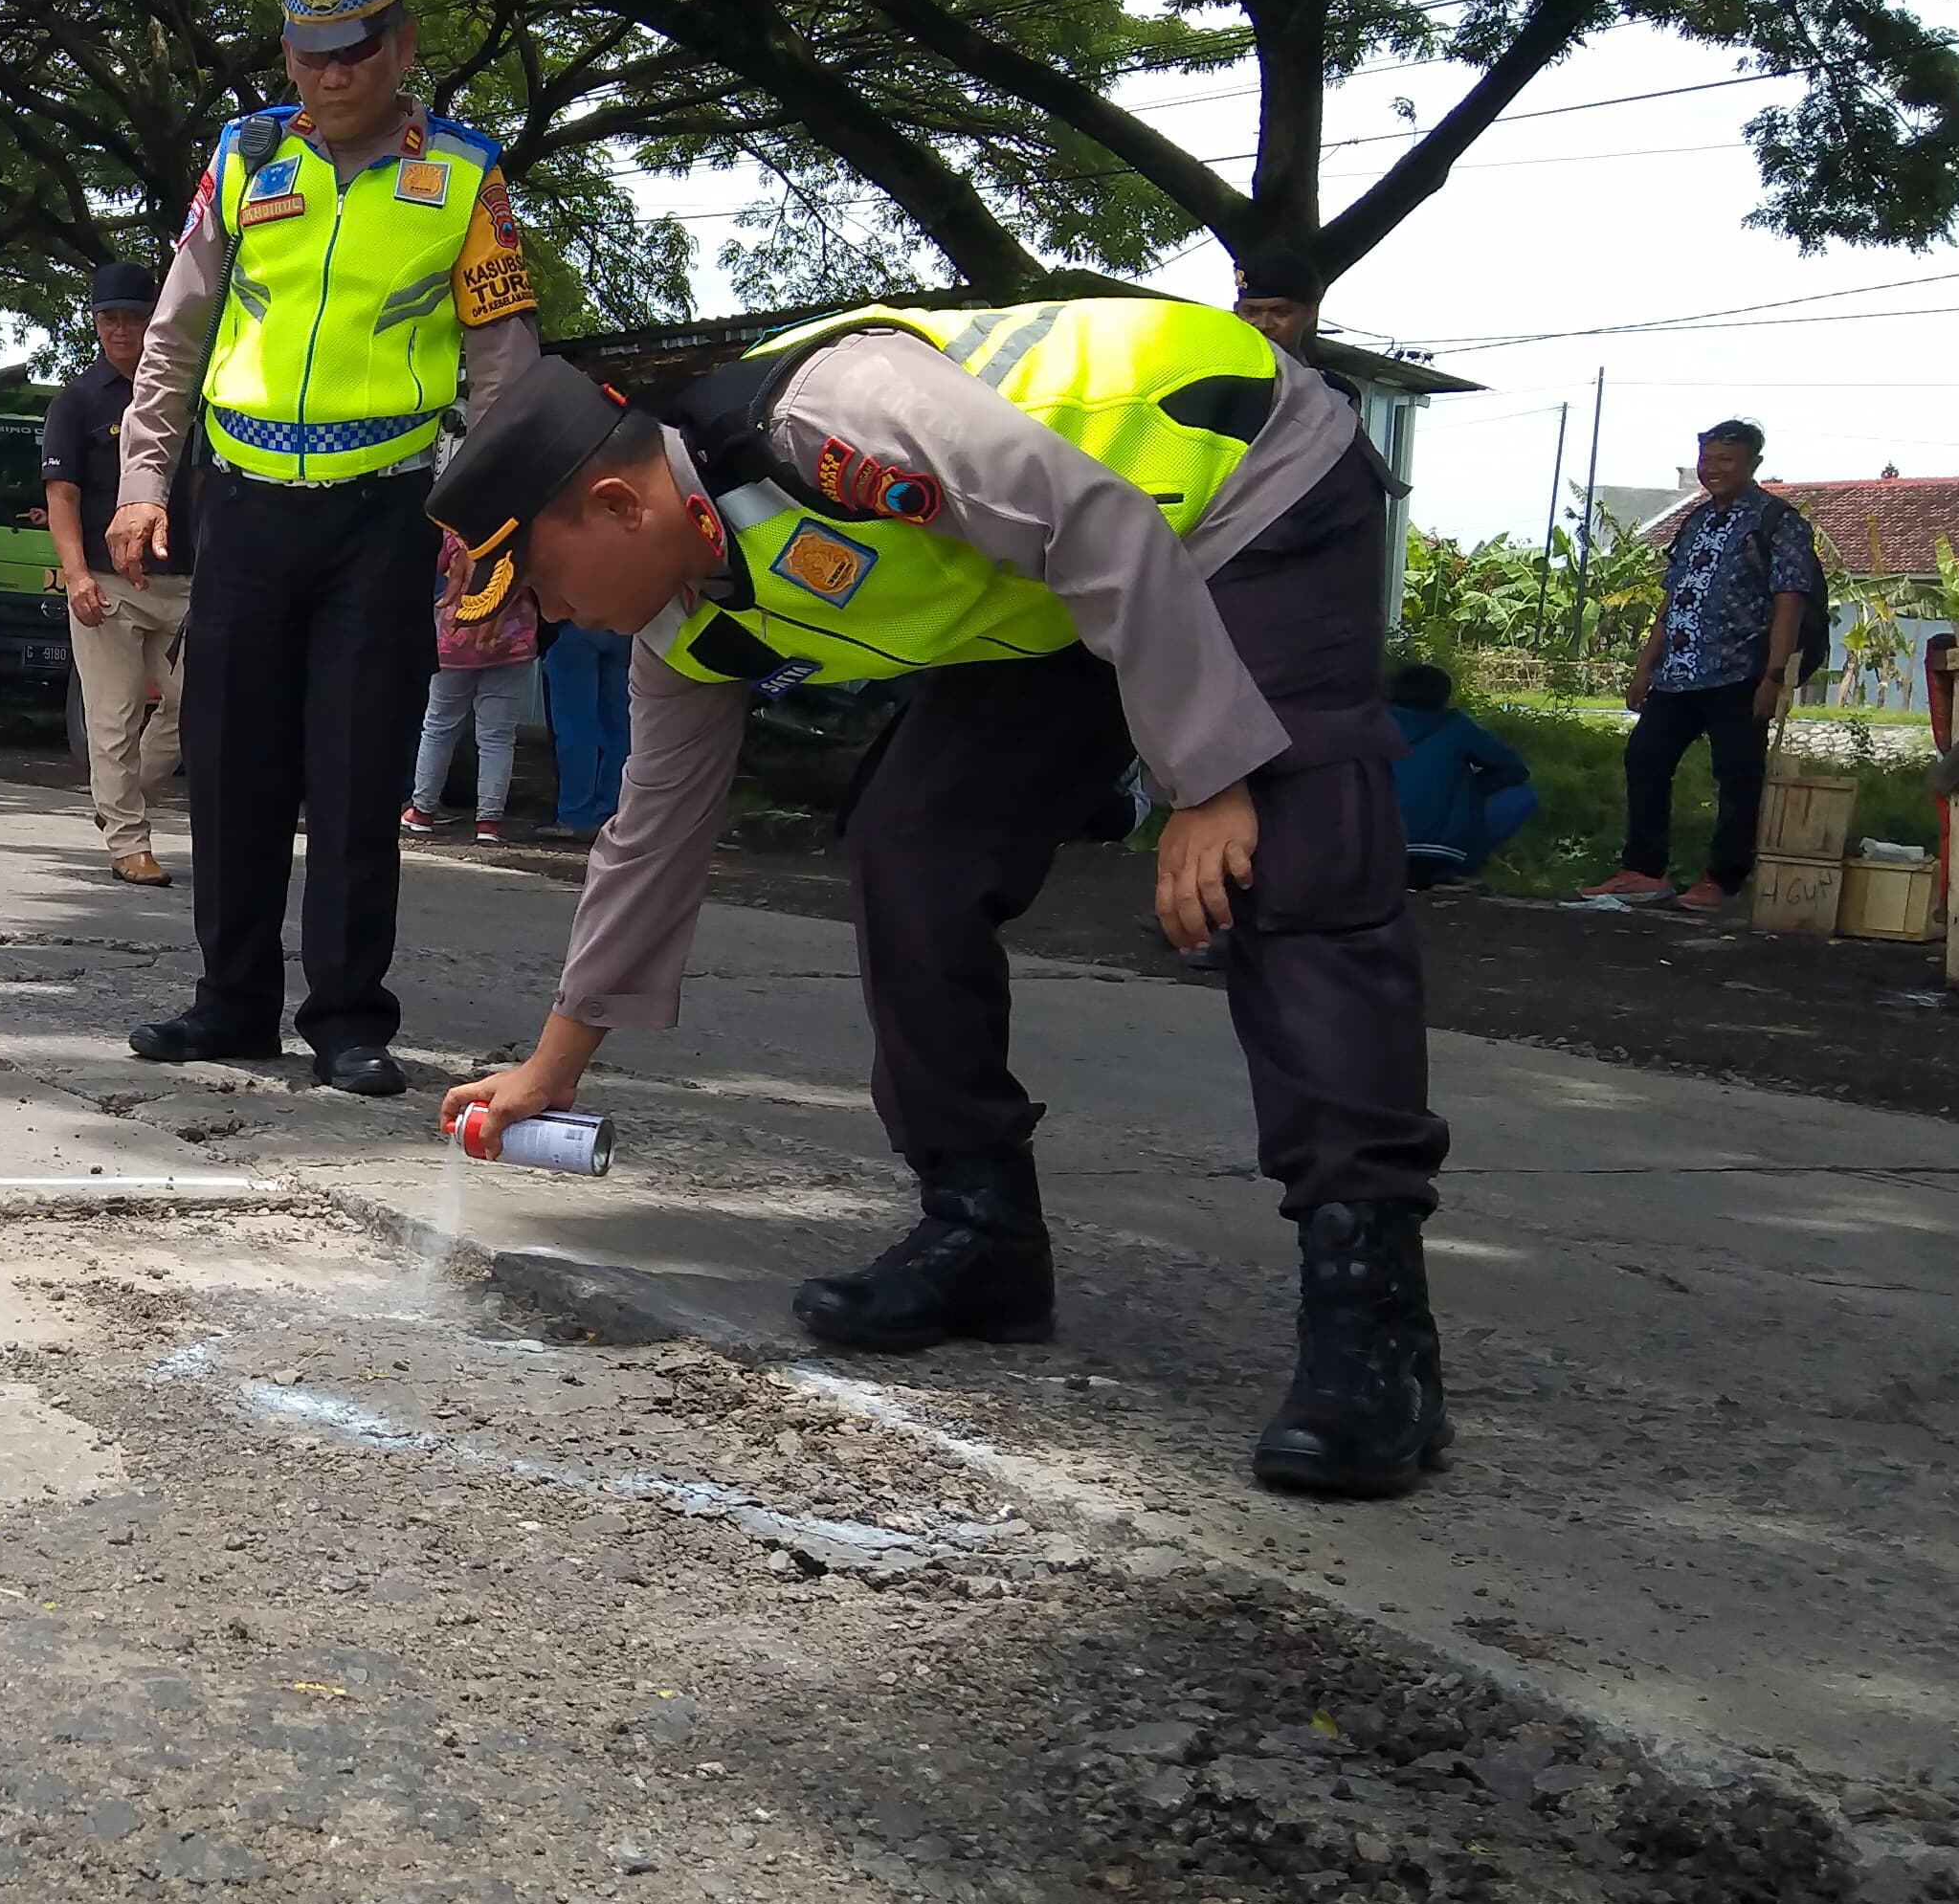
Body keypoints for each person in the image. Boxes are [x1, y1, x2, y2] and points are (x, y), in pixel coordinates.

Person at [434, 302, 1455, 1498]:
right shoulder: (685, 622)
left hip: (1234, 492)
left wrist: (1213, 774)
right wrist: (553, 1069)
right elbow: (648, 841)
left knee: (1288, 851)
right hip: (1056, 598)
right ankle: (979, 1231)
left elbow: (1100, 522)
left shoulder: (837, 417)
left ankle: (1369, 1312)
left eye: (543, 583)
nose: (548, 621)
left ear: (617, 507)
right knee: (910, 844)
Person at [104, 0, 544, 1097]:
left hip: (383, 515)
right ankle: (230, 1001)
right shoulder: (244, 158)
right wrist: (143, 483)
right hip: (242, 504)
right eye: (304, 55)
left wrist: (492, 524)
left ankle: (348, 1018)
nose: (324, 77)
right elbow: (176, 334)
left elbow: (501, 366)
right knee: (231, 760)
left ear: (398, 48)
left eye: (348, 53)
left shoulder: (464, 176)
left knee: (354, 774)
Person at [1583, 418, 1822, 910]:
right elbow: (1673, 600)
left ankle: (1723, 879)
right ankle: (1643, 870)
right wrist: (1645, 666)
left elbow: (1790, 601)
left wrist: (1774, 676)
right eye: (1706, 460)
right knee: (1645, 758)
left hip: (1741, 671)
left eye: (1725, 461)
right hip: (1678, 671)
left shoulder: (1778, 521)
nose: (1711, 470)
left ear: (1754, 463)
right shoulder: (1695, 522)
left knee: (1736, 774)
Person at [42, 261, 186, 884]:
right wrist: (75, 575)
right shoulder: (77, 402)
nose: (122, 329)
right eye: (110, 318)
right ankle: (130, 842)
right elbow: (62, 498)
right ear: (96, 324)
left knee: (199, 704)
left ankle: (120, 801)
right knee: (114, 714)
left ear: (155, 319)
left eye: (134, 316)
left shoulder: (183, 393)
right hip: (108, 584)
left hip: (183, 581)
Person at [403, 521, 535, 843]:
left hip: (455, 642)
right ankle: (489, 822)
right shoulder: (528, 532)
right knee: (497, 736)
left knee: (438, 727)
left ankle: (422, 810)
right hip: (512, 643)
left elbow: (430, 564)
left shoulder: (456, 527)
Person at [1388, 660, 1538, 884]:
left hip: (1376, 853)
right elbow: (1515, 770)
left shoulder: (1372, 725)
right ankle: (1464, 866)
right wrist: (1469, 786)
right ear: (1444, 698)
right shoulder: (1455, 726)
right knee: (1522, 795)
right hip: (1440, 857)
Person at [538, 619, 631, 840]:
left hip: (573, 625)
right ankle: (611, 810)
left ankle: (576, 815)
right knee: (618, 728)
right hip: (622, 628)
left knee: (575, 725)